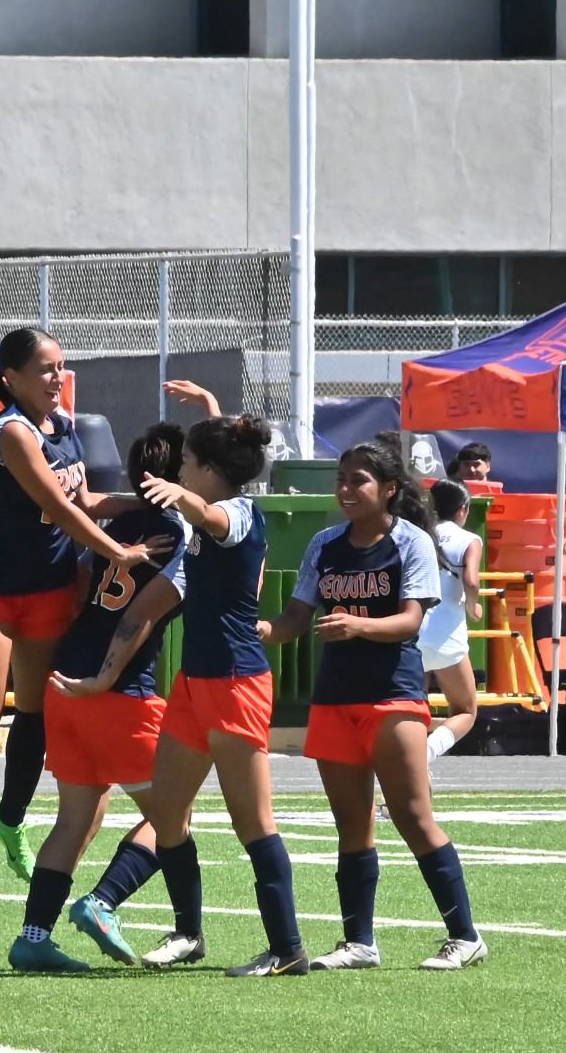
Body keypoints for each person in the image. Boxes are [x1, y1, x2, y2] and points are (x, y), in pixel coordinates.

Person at [0, 327, 155, 906]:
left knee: (35, 715)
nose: (57, 378)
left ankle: (9, 820)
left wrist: (147, 500)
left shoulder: (66, 427)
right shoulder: (10, 431)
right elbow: (53, 505)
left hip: (49, 587)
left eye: (61, 366)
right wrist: (114, 551)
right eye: (46, 369)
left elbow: (82, 502)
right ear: (12, 378)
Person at [259, 442, 487, 972]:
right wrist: (264, 630)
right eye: (341, 479)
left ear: (388, 489)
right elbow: (296, 617)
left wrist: (357, 625)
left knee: (412, 816)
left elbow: (411, 622)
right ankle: (359, 941)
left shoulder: (411, 543)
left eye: (357, 480)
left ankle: (465, 935)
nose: (344, 489)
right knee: (352, 824)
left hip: (392, 694)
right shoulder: (324, 543)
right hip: (336, 697)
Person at [9, 424, 192, 972]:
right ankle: (103, 901)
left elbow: (82, 582)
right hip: (118, 693)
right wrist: (107, 678)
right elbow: (139, 616)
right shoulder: (179, 531)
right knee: (172, 820)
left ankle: (34, 936)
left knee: (75, 817)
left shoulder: (116, 522)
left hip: (66, 681)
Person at [136, 381, 300, 976]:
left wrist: (182, 494)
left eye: (186, 463)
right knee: (166, 813)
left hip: (235, 683)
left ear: (207, 471)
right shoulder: (218, 485)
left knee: (252, 822)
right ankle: (188, 933)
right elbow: (221, 464)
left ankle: (287, 949)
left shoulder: (231, 512)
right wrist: (210, 411)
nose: (177, 468)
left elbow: (211, 511)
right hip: (196, 681)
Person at [421, 479, 484, 763]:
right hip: (447, 637)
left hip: (411, 632)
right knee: (465, 710)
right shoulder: (469, 539)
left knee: (413, 708)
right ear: (463, 510)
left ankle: (410, 770)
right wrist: (473, 607)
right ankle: (426, 753)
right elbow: (470, 581)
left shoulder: (416, 534)